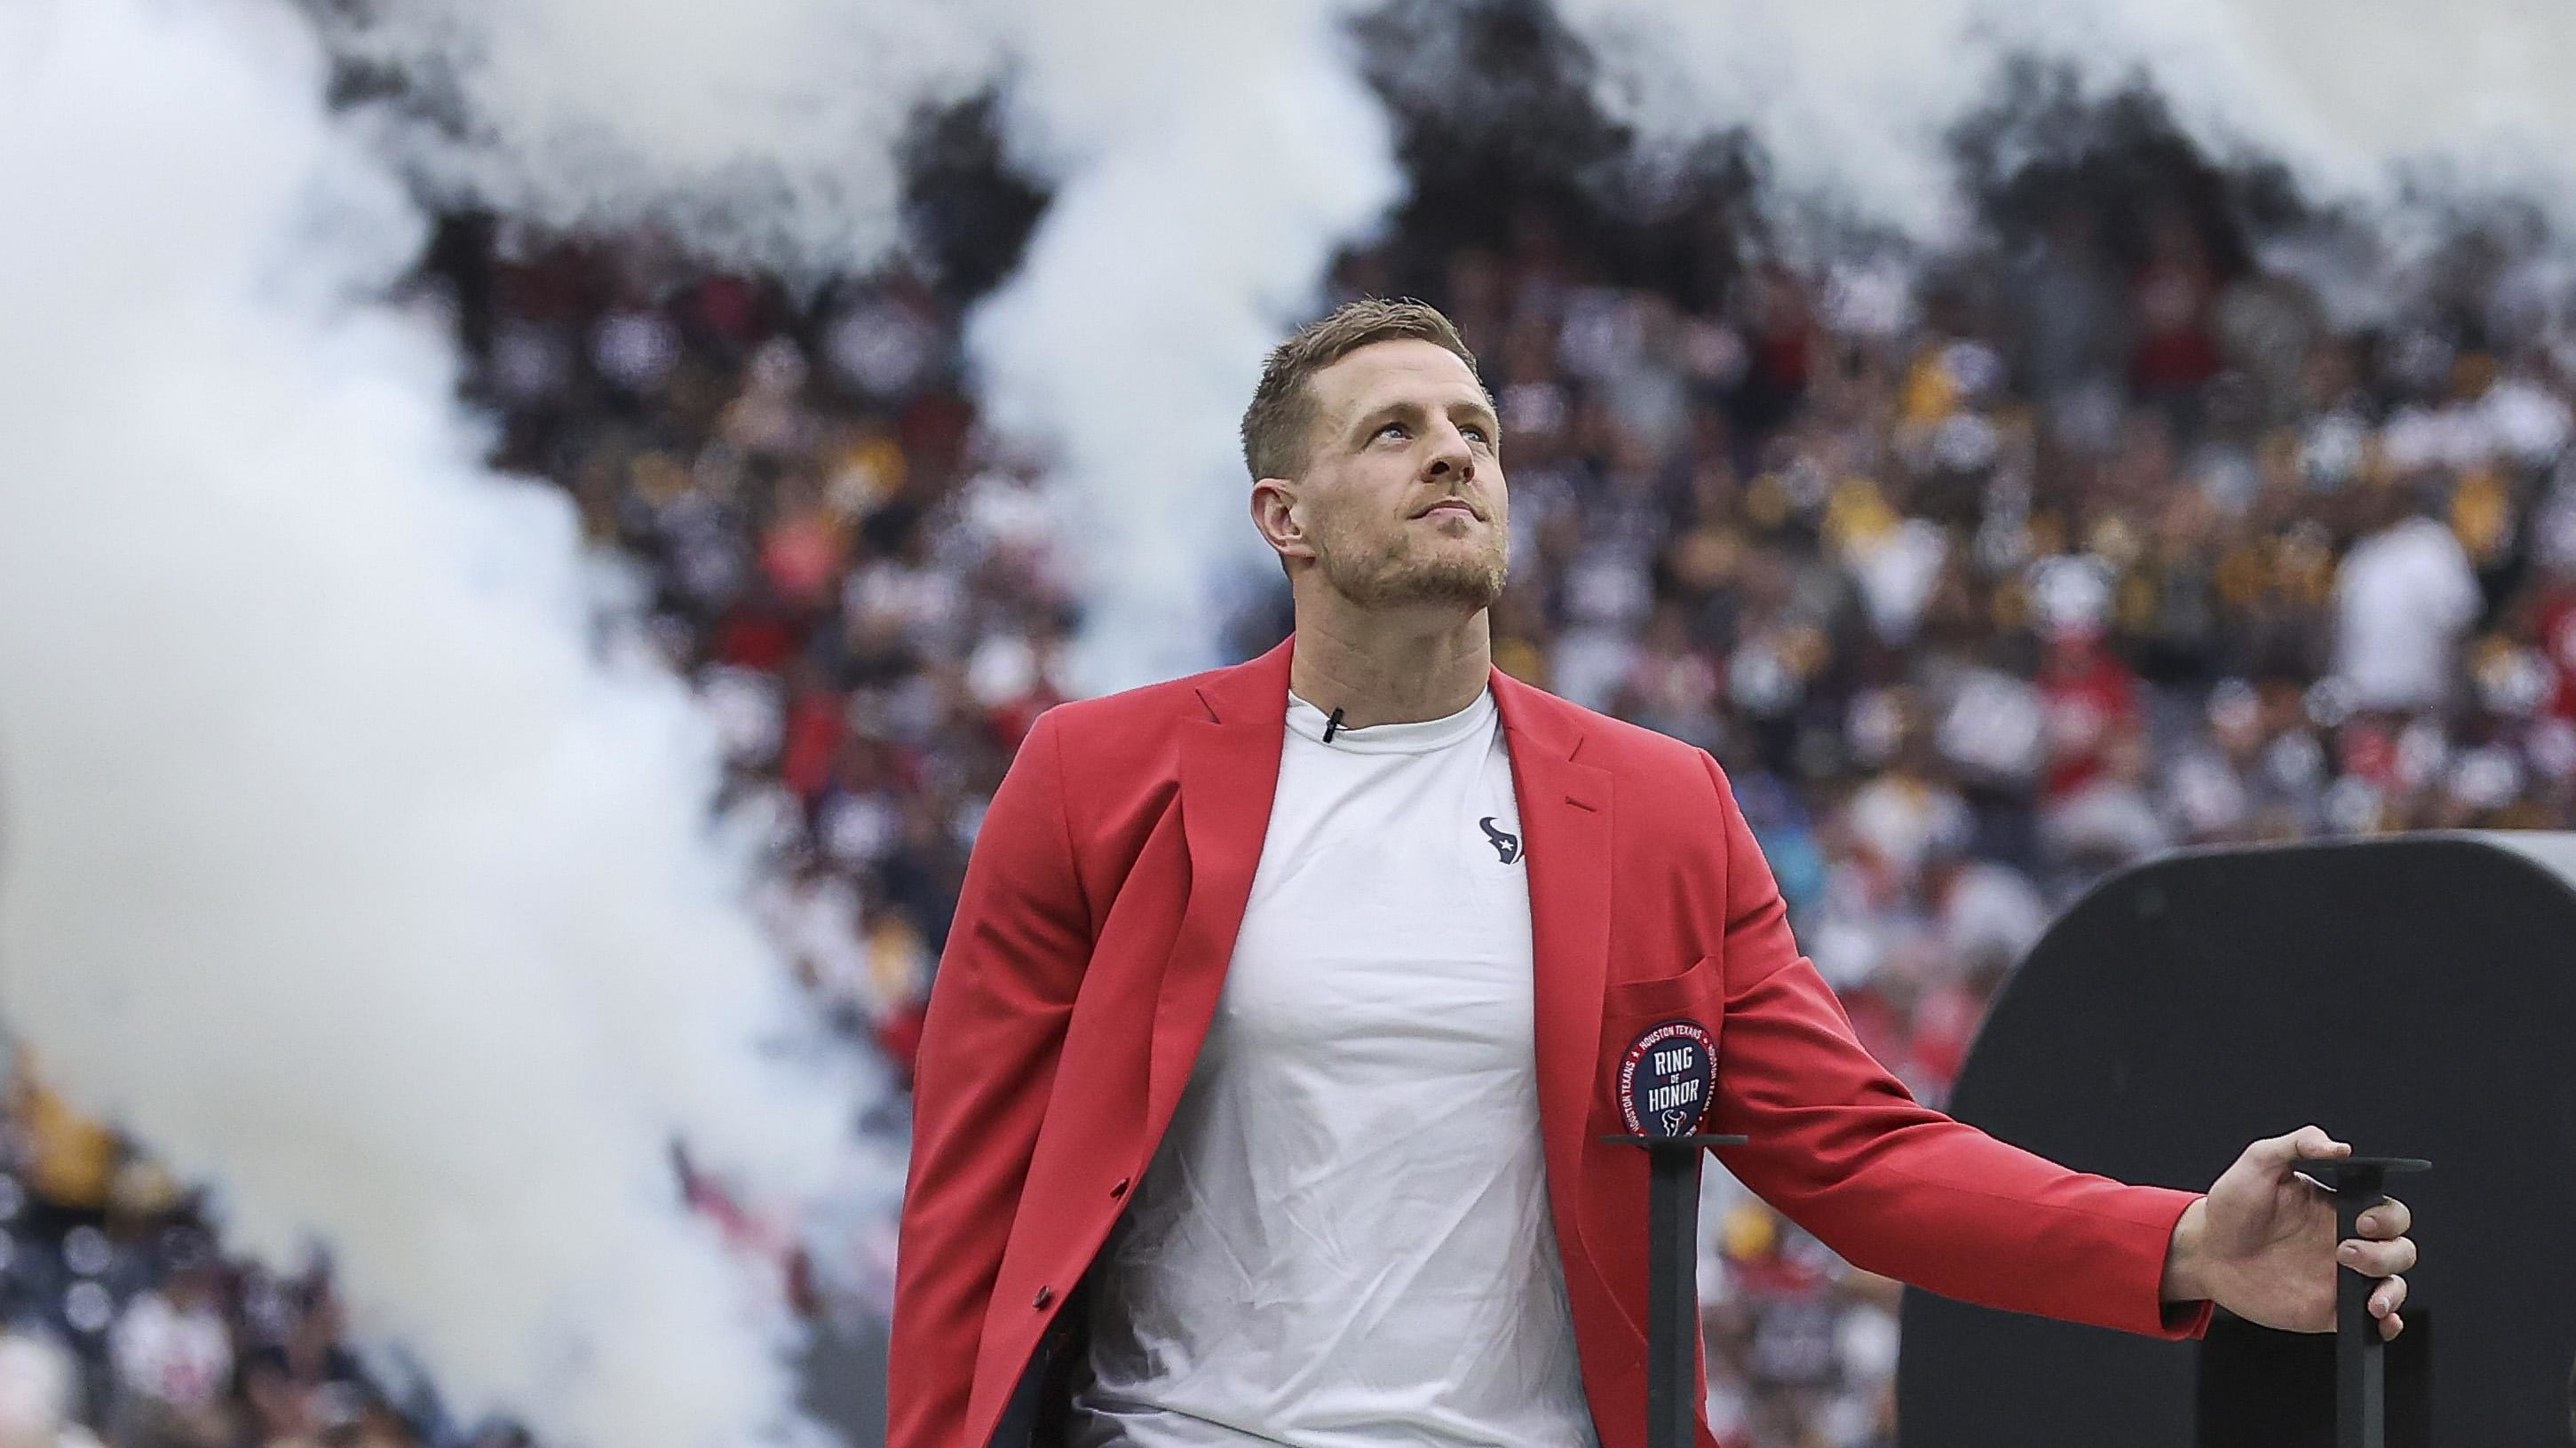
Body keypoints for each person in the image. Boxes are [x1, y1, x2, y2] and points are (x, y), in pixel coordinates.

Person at [887, 299, 2418, 1448]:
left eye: (1474, 429)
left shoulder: (1653, 805)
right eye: (1392, 430)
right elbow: (968, 1197)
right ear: (1281, 520)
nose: (1451, 455)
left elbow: (1856, 1153)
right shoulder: (1097, 777)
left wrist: (2182, 1243)